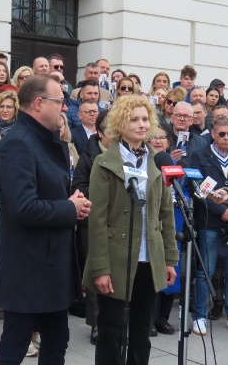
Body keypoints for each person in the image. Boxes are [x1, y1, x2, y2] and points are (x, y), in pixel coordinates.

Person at [0, 74, 91, 365]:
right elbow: (23, 207)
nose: (64, 109)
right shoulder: (17, 144)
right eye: (59, 102)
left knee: (57, 341)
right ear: (38, 103)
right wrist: (68, 210)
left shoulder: (42, 140)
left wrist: (75, 205)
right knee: (15, 346)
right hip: (28, 269)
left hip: (51, 266)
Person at [82, 95, 178, 365]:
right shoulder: (103, 164)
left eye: (145, 119)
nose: (141, 124)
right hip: (116, 259)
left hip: (149, 258)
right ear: (120, 123)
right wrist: (100, 268)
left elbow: (165, 214)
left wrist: (170, 259)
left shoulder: (157, 162)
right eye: (134, 119)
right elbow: (97, 220)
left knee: (141, 331)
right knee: (110, 330)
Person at [191, 118, 228, 335]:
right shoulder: (200, 156)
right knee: (204, 272)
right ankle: (198, 315)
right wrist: (221, 211)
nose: (227, 138)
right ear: (214, 134)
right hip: (210, 221)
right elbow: (199, 191)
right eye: (222, 134)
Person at [71, 110, 111, 345]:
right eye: (111, 132)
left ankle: (116, 319)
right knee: (96, 270)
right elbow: (79, 186)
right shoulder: (89, 155)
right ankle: (96, 323)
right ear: (100, 133)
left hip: (117, 223)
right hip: (93, 221)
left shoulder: (123, 154)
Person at [148, 127, 185, 336]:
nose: (158, 141)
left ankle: (162, 318)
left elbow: (185, 191)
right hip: (154, 225)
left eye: (162, 137)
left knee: (173, 270)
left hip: (176, 224)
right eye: (154, 138)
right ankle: (150, 319)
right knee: (155, 271)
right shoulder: (146, 165)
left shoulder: (175, 166)